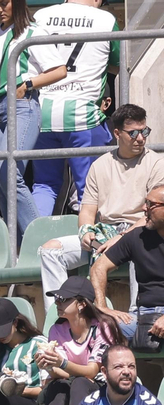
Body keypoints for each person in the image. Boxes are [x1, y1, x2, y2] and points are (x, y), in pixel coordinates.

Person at [38, 106, 164, 318]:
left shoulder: (157, 163)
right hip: (104, 232)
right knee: (50, 251)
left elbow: (153, 214)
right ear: (117, 133)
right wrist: (86, 232)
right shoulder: (100, 165)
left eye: (145, 131)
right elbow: (87, 209)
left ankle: (135, 317)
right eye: (133, 133)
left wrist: (122, 239)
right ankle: (58, 315)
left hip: (139, 230)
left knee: (140, 247)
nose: (141, 138)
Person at [0, 0, 65, 243]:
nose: (0, 9)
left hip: (22, 106)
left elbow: (59, 70)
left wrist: (27, 85)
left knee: (9, 176)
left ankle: (42, 242)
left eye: (4, 3)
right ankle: (18, 248)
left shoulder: (32, 32)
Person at [29, 0, 119, 217]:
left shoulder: (41, 15)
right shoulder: (105, 19)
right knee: (90, 189)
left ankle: (35, 242)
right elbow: (119, 62)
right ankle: (92, 246)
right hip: (82, 114)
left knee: (43, 185)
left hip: (43, 112)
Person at [36, 278, 118, 405]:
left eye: (64, 299)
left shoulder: (103, 327)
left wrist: (61, 363)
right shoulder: (57, 330)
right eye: (56, 299)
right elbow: (60, 373)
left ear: (82, 304)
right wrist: (48, 366)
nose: (57, 303)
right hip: (71, 382)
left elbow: (92, 371)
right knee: (57, 385)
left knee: (80, 382)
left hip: (101, 388)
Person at [91, 182, 164, 348]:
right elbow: (99, 267)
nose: (145, 209)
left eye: (151, 205)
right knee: (98, 329)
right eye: (146, 203)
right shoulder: (136, 237)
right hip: (144, 317)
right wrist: (102, 306)